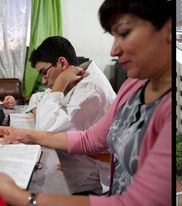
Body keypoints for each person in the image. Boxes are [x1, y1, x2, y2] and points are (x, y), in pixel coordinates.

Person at [0, 0, 171, 205]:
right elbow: (89, 139)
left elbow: (134, 201)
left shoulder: (93, 88)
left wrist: (23, 198)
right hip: (114, 187)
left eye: (124, 33)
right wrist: (23, 134)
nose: (114, 50)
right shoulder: (133, 85)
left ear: (168, 29)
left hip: (97, 178)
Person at [26, 36, 117, 194]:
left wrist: (60, 82)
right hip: (78, 159)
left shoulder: (92, 88)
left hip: (93, 170)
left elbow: (46, 131)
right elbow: (37, 98)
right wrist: (55, 90)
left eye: (44, 73)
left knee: (26, 186)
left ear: (62, 63)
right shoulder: (75, 76)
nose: (44, 80)